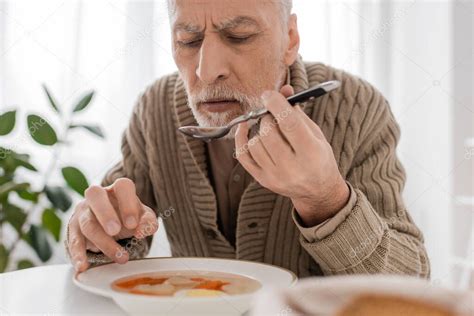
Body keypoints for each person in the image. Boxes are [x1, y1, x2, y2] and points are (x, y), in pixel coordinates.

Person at [66, 0, 430, 278]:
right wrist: (104, 232)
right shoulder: (154, 108)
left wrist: (326, 199)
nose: (207, 71)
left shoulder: (357, 108)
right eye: (188, 40)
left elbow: (408, 290)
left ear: (290, 39)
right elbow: (122, 232)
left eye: (239, 36)